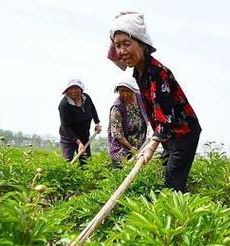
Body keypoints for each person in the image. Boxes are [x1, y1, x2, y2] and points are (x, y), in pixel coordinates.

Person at [108, 12, 202, 192]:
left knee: (172, 185)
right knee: (165, 178)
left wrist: (150, 148)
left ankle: (178, 215)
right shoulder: (138, 71)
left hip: (183, 134)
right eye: (117, 45)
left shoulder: (157, 72)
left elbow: (165, 118)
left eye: (127, 43)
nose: (121, 51)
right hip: (170, 136)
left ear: (143, 44)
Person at [58, 79, 102, 164]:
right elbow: (66, 127)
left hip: (84, 135)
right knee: (67, 161)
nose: (74, 91)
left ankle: (86, 177)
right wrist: (79, 143)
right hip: (69, 137)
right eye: (71, 89)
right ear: (67, 91)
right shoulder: (64, 105)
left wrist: (97, 123)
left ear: (81, 90)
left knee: (86, 163)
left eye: (76, 88)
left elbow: (92, 109)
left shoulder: (86, 98)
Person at [107, 76, 148, 168]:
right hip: (121, 150)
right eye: (121, 91)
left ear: (133, 90)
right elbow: (118, 134)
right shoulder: (117, 108)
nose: (124, 94)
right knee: (121, 175)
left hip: (140, 146)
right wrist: (131, 148)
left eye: (127, 90)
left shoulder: (140, 99)